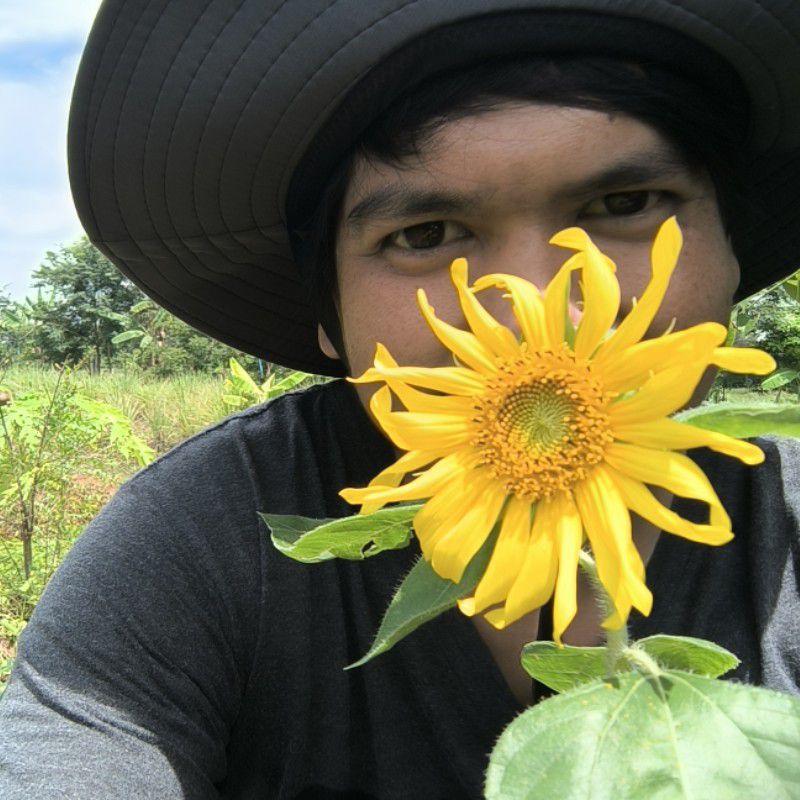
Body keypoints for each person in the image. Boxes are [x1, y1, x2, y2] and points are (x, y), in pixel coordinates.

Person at [2, 1, 799, 797]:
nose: (528, 304)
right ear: (328, 312)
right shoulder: (196, 540)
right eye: (425, 235)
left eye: (624, 205)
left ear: (733, 243)